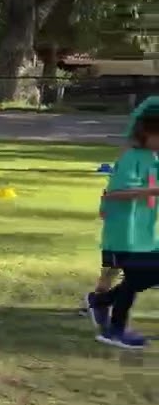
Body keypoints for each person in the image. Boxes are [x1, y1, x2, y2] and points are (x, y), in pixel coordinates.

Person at [88, 107, 159, 349]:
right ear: (147, 133)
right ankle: (114, 329)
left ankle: (102, 302)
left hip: (143, 231)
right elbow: (115, 193)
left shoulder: (152, 157)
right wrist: (151, 191)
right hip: (123, 232)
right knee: (133, 279)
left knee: (141, 276)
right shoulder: (131, 158)